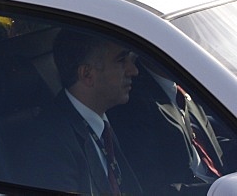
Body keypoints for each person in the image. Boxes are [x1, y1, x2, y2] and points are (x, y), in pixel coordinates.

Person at [23, 29, 142, 194]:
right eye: (121, 60)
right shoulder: (51, 143)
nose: (133, 70)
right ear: (87, 74)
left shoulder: (104, 121)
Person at [108, 61, 226, 192]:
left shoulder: (184, 88)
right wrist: (217, 191)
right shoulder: (135, 102)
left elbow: (215, 148)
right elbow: (154, 187)